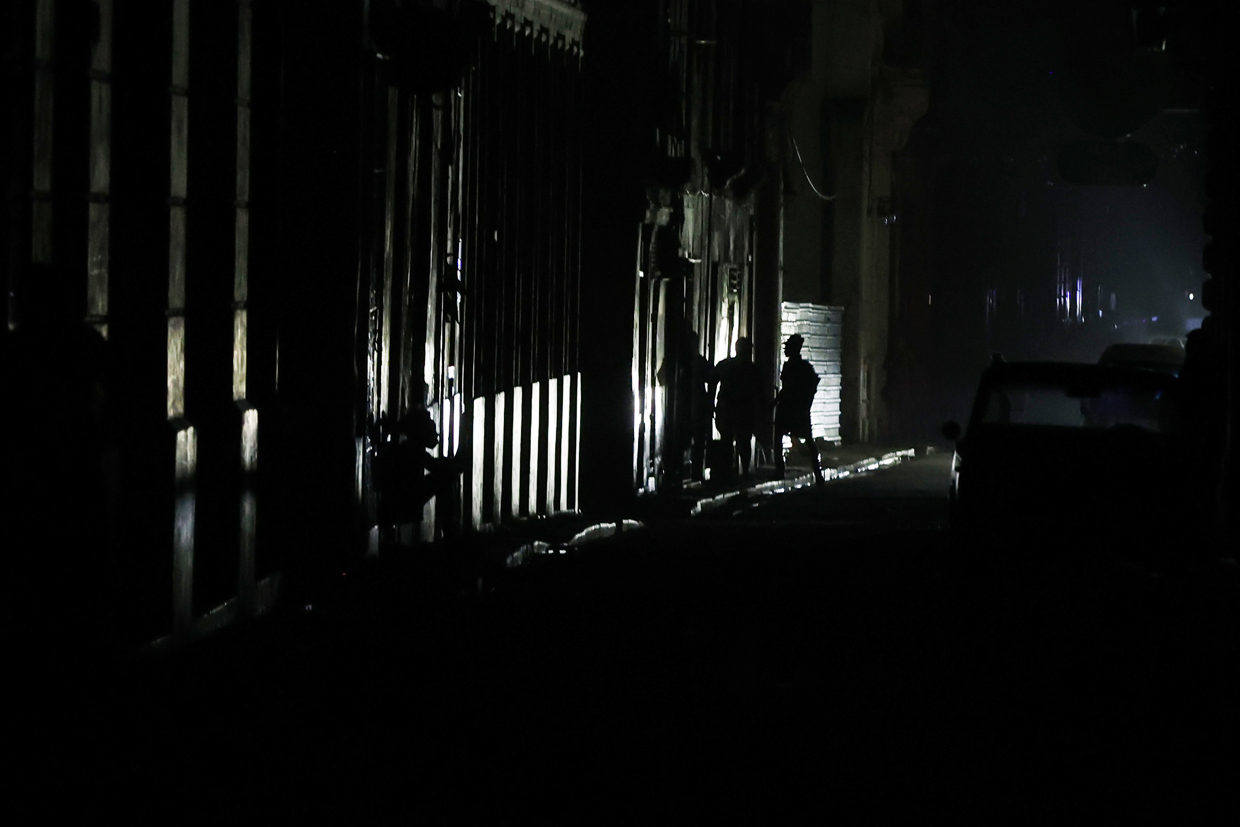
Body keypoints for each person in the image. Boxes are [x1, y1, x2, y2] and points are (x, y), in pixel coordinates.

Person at [774, 333, 826, 486]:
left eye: (788, 347)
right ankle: (816, 473)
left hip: (793, 408)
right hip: (792, 407)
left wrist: (805, 403)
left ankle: (783, 471)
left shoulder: (801, 367)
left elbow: (810, 384)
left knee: (802, 440)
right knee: (805, 439)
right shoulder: (793, 366)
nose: (785, 350)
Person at [710, 337, 761, 479]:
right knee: (743, 442)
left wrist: (711, 403)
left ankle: (728, 471)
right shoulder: (752, 369)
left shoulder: (725, 365)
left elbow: (713, 381)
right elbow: (759, 392)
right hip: (743, 410)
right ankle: (742, 471)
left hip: (728, 409)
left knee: (728, 440)